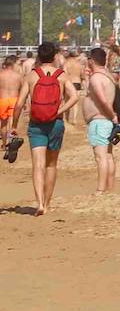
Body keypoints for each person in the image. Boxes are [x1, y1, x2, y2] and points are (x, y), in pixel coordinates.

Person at [10, 42, 80, 215]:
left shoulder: (32, 76)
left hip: (36, 124)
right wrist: (59, 111)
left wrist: (14, 126)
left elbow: (19, 104)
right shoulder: (61, 75)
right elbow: (75, 96)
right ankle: (48, 204)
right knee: (51, 164)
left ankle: (39, 203)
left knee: (38, 164)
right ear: (55, 56)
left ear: (39, 57)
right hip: (55, 123)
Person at [82, 46, 119, 197]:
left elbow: (103, 101)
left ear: (91, 60)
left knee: (100, 156)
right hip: (105, 121)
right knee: (108, 155)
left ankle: (101, 189)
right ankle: (109, 188)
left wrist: (112, 115)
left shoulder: (97, 78)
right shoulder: (108, 75)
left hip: (100, 120)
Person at [0, 56, 21, 139]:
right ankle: (11, 142)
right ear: (13, 65)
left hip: (3, 99)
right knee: (12, 120)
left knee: (3, 123)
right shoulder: (18, 75)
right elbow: (22, 87)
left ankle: (4, 144)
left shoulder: (1, 74)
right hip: (14, 99)